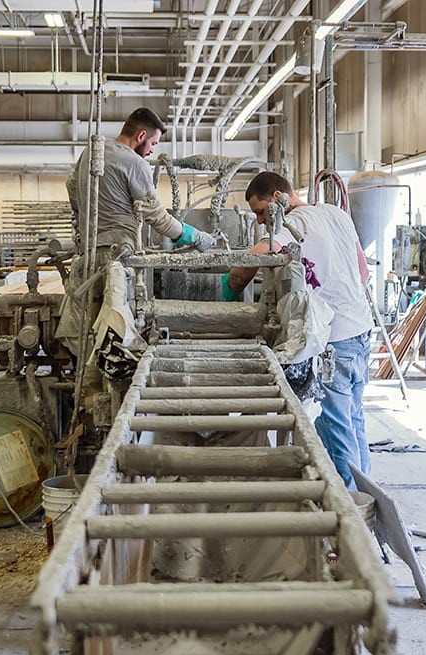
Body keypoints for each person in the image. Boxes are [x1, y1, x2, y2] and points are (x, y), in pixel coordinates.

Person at [222, 171, 374, 488]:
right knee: (354, 416)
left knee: (335, 425)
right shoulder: (335, 213)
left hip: (334, 339)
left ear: (279, 196)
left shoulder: (294, 224)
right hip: (361, 329)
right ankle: (363, 492)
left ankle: (344, 506)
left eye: (262, 211)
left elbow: (255, 257)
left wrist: (232, 286)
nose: (263, 221)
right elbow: (363, 273)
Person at [66, 107, 214, 252]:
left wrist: (86, 219)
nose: (152, 150)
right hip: (120, 251)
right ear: (141, 135)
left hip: (87, 250)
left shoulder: (91, 152)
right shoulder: (135, 163)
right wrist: (194, 236)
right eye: (153, 143)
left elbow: (72, 186)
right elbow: (156, 215)